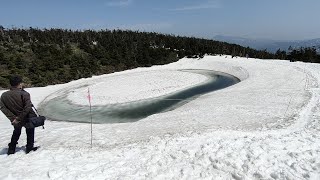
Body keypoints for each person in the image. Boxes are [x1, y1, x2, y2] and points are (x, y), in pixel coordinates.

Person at [0, 75, 38, 155]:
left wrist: (13, 118)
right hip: (27, 117)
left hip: (15, 118)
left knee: (16, 132)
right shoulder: (24, 94)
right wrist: (19, 118)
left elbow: (2, 108)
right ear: (20, 83)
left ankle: (11, 149)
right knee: (30, 131)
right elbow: (27, 107)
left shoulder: (4, 95)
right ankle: (29, 148)